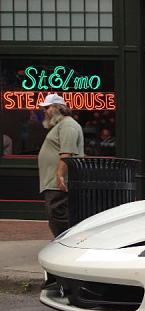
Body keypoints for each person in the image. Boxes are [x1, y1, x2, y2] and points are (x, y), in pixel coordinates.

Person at [37, 93, 84, 237]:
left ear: (57, 108)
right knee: (57, 213)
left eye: (47, 107)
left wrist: (60, 176)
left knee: (57, 213)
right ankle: (62, 242)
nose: (45, 111)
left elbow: (67, 153)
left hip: (58, 182)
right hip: (53, 181)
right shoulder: (62, 125)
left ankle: (64, 243)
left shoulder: (68, 125)